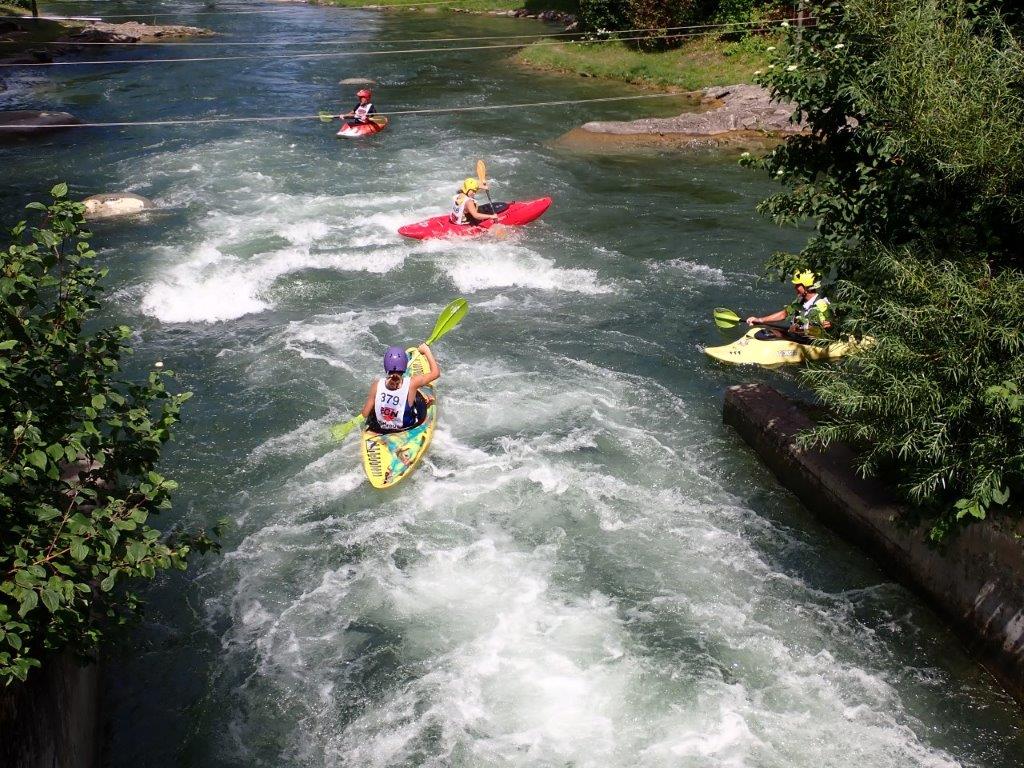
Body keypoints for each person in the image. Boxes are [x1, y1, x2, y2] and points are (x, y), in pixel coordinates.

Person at [361, 344, 439, 434]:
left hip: (380, 428)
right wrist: (426, 351)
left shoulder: (376, 384)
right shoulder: (412, 383)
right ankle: (425, 399)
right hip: (406, 428)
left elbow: (365, 414)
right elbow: (435, 373)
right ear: (404, 365)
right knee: (417, 396)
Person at [746, 269, 833, 341]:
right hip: (797, 334)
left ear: (806, 286)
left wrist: (799, 330)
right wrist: (759, 320)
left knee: (770, 335)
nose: (795, 288)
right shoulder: (800, 301)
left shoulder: (822, 304)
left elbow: (825, 327)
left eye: (798, 285)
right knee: (764, 333)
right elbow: (784, 314)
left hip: (810, 341)